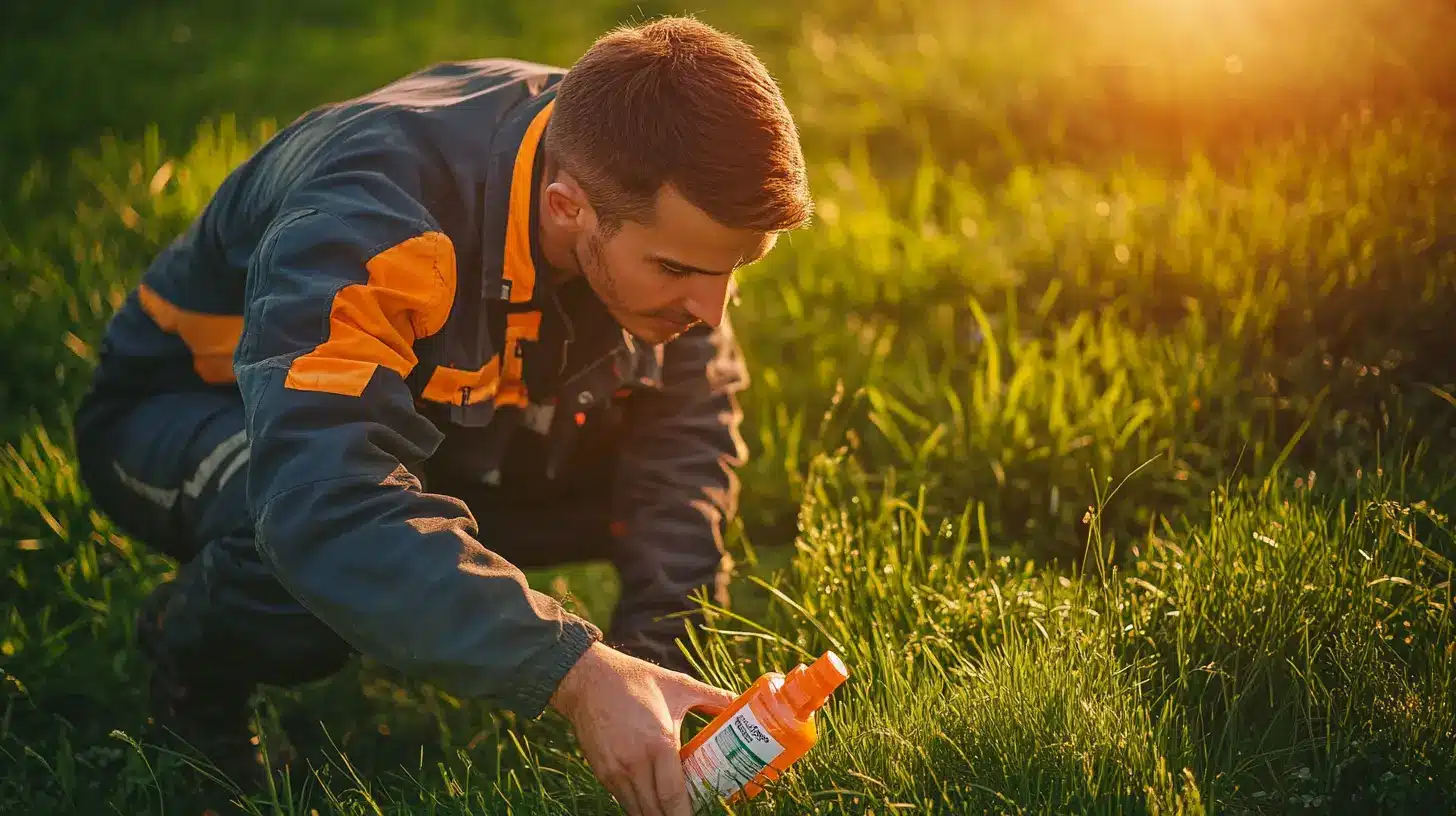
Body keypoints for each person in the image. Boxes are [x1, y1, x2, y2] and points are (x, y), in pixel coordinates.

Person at [71, 15, 812, 815]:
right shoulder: (379, 214)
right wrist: (577, 676)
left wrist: (651, 668)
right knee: (305, 556)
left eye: (735, 268)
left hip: (435, 425)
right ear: (568, 208)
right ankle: (193, 673)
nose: (712, 308)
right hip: (195, 414)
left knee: (652, 482)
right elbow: (323, 503)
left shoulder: (642, 173)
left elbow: (685, 444)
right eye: (678, 269)